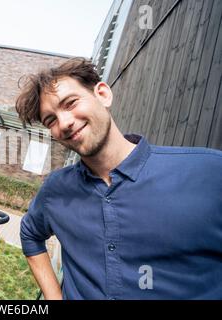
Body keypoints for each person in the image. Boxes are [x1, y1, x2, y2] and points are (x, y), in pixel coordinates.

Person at [15, 57, 222, 300]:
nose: (65, 123)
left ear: (102, 94)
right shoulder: (55, 190)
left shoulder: (209, 172)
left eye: (70, 103)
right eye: (51, 120)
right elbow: (30, 233)